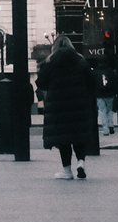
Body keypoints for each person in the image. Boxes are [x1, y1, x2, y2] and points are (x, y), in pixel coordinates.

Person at [39, 37, 99, 179]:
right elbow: (92, 82)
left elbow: (41, 82)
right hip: (79, 104)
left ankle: (67, 171)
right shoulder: (80, 61)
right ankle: (81, 162)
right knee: (79, 136)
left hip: (58, 106)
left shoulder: (50, 62)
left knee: (63, 139)